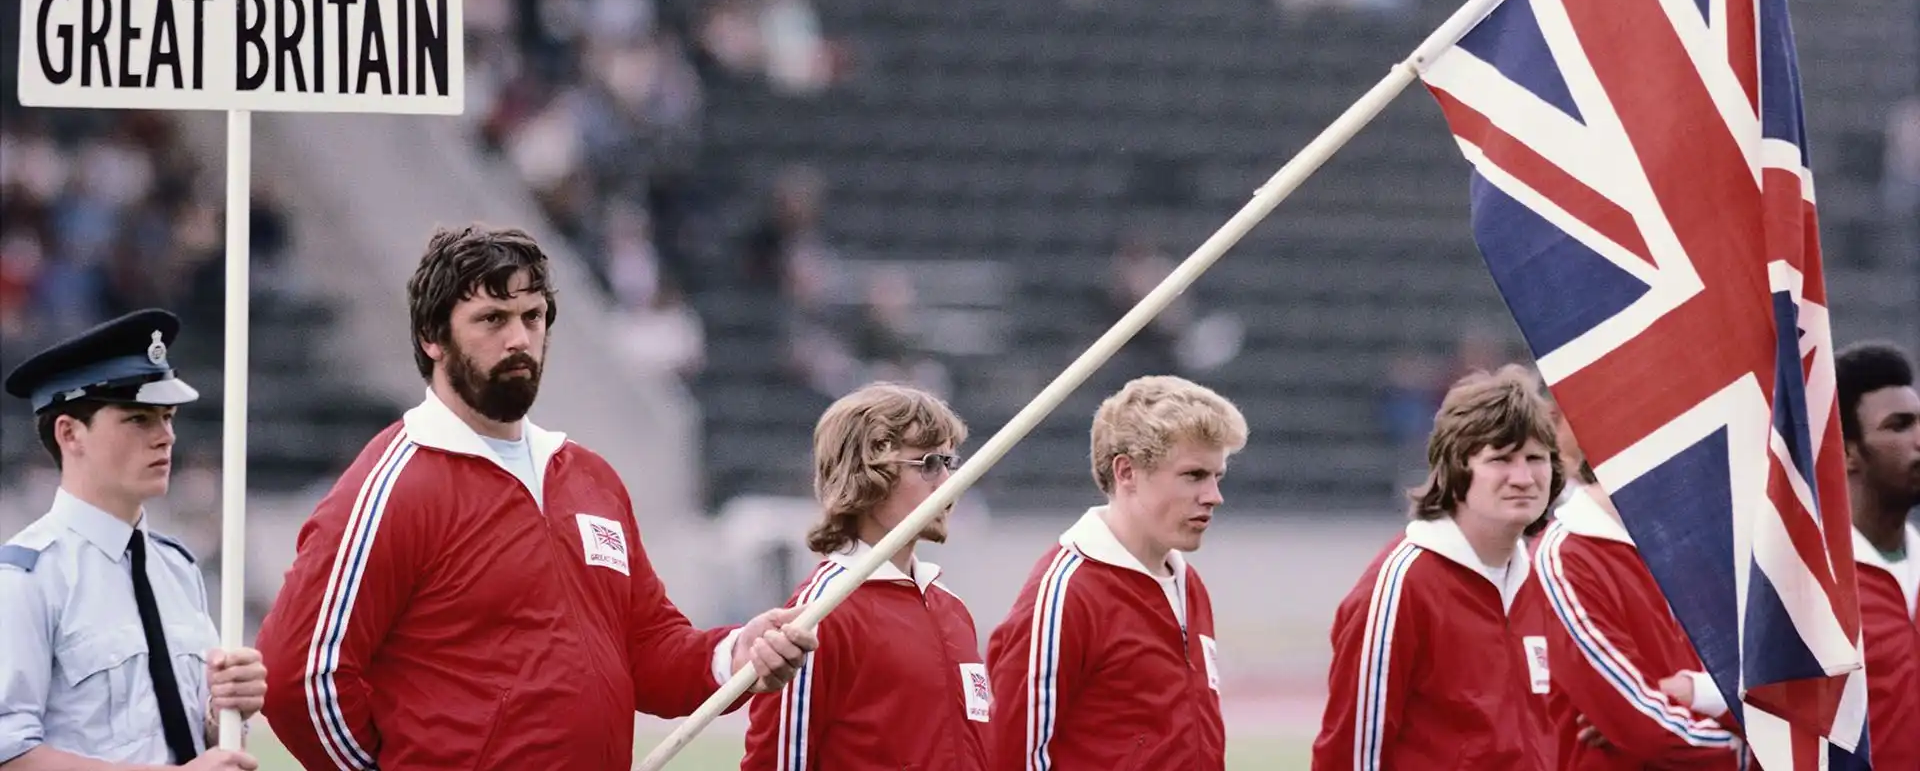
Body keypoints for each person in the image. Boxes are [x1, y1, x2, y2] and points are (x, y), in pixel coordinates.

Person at [253, 225, 815, 770]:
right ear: (433, 336)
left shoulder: (588, 478)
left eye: (533, 317)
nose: (519, 338)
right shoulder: (395, 484)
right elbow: (299, 676)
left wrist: (735, 655)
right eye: (492, 319)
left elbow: (646, 646)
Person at [0, 308, 268, 770]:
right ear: (70, 433)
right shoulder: (27, 578)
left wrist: (225, 710)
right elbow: (11, 753)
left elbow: (184, 731)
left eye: (167, 417)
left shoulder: (177, 569)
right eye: (139, 419)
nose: (165, 436)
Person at [985, 375, 1249, 771]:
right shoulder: (1065, 593)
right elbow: (1012, 757)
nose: (1214, 496)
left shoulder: (1187, 584)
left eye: (1217, 477)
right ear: (1126, 472)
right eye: (1194, 475)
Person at [1311, 364, 1560, 771]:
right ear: (1457, 468)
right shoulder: (1401, 586)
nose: (1523, 477)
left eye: (1535, 458)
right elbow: (1349, 755)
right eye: (1500, 459)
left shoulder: (1540, 578)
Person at [741, 382, 990, 771]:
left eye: (950, 464)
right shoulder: (819, 614)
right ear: (867, 473)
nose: (948, 483)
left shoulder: (952, 608)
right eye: (928, 464)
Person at [1534, 454, 1740, 767]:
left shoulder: (1687, 535)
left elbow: (1765, 683)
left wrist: (1697, 692)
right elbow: (1646, 727)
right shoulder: (1565, 557)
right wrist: (1757, 755)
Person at [1837, 340, 1920, 771]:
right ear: (1848, 451)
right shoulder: (1811, 582)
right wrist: (1695, 695)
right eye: (1899, 426)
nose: (1919, 439)